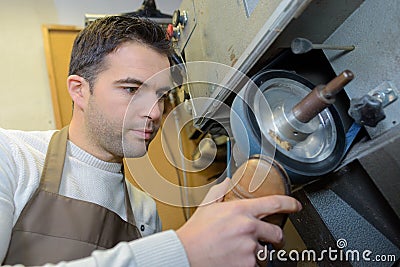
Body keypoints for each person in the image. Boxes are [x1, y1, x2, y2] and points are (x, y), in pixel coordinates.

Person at [0, 15, 301, 267]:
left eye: (161, 96)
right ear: (79, 90)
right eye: (131, 90)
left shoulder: (144, 209)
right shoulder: (12, 156)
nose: (154, 112)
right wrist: (182, 248)